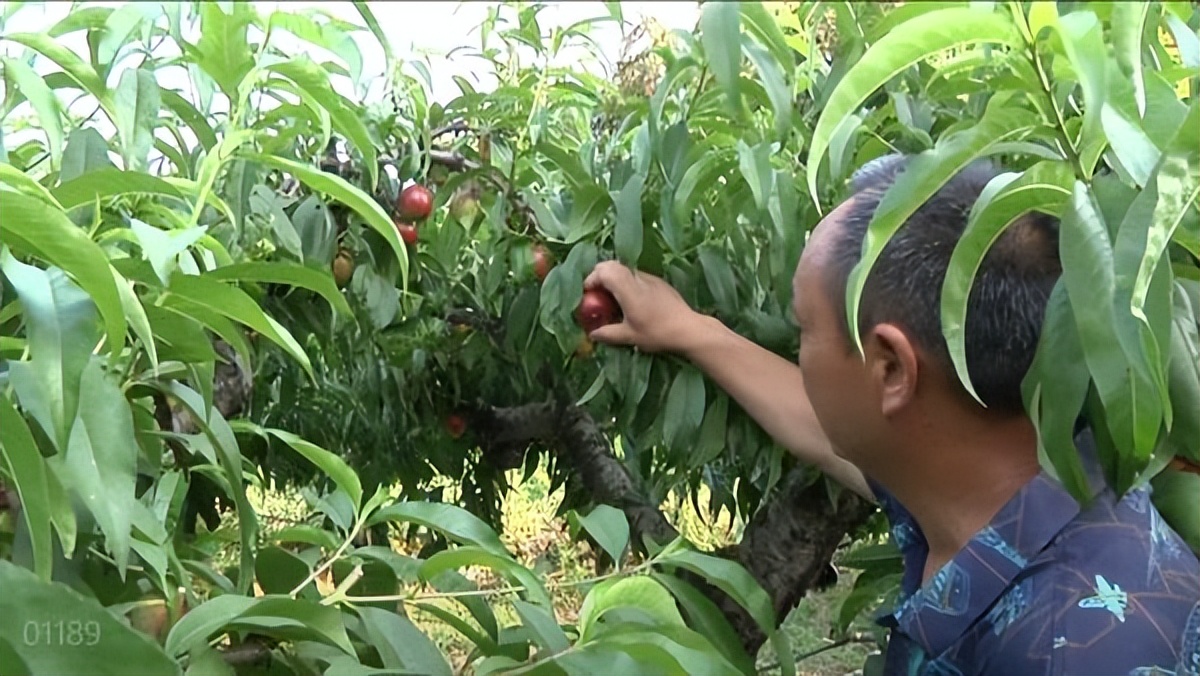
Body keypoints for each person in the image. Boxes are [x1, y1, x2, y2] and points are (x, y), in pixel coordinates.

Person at [582, 155, 1200, 676]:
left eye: (804, 327)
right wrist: (690, 329)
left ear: (892, 370)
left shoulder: (1074, 654)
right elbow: (827, 426)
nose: (799, 347)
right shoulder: (1012, 474)